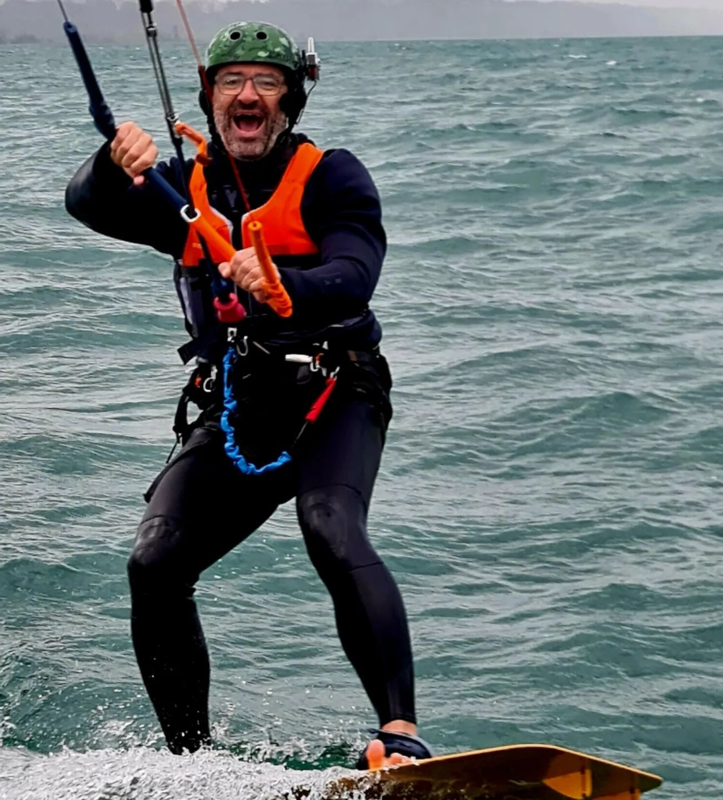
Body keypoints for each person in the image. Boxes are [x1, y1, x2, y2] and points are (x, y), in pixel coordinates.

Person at [65, 21, 431, 768]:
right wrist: (110, 162)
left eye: (266, 81)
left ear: (290, 100)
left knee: (329, 523)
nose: (248, 94)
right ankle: (192, 765)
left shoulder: (333, 176)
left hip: (336, 389)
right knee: (154, 561)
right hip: (240, 405)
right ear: (211, 98)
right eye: (231, 81)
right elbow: (86, 204)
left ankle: (400, 738)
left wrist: (283, 282)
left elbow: (355, 274)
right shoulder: (181, 190)